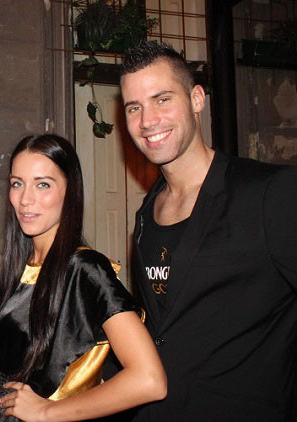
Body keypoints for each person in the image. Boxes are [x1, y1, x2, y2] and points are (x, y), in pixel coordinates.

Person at [119, 40, 297, 420]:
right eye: (134, 107)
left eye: (162, 99)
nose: (147, 120)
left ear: (197, 99)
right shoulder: (146, 214)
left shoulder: (268, 193)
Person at [0, 134, 167, 422]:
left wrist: (46, 411)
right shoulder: (23, 267)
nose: (25, 199)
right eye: (17, 184)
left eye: (43, 184)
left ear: (70, 191)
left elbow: (150, 379)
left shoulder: (85, 269)